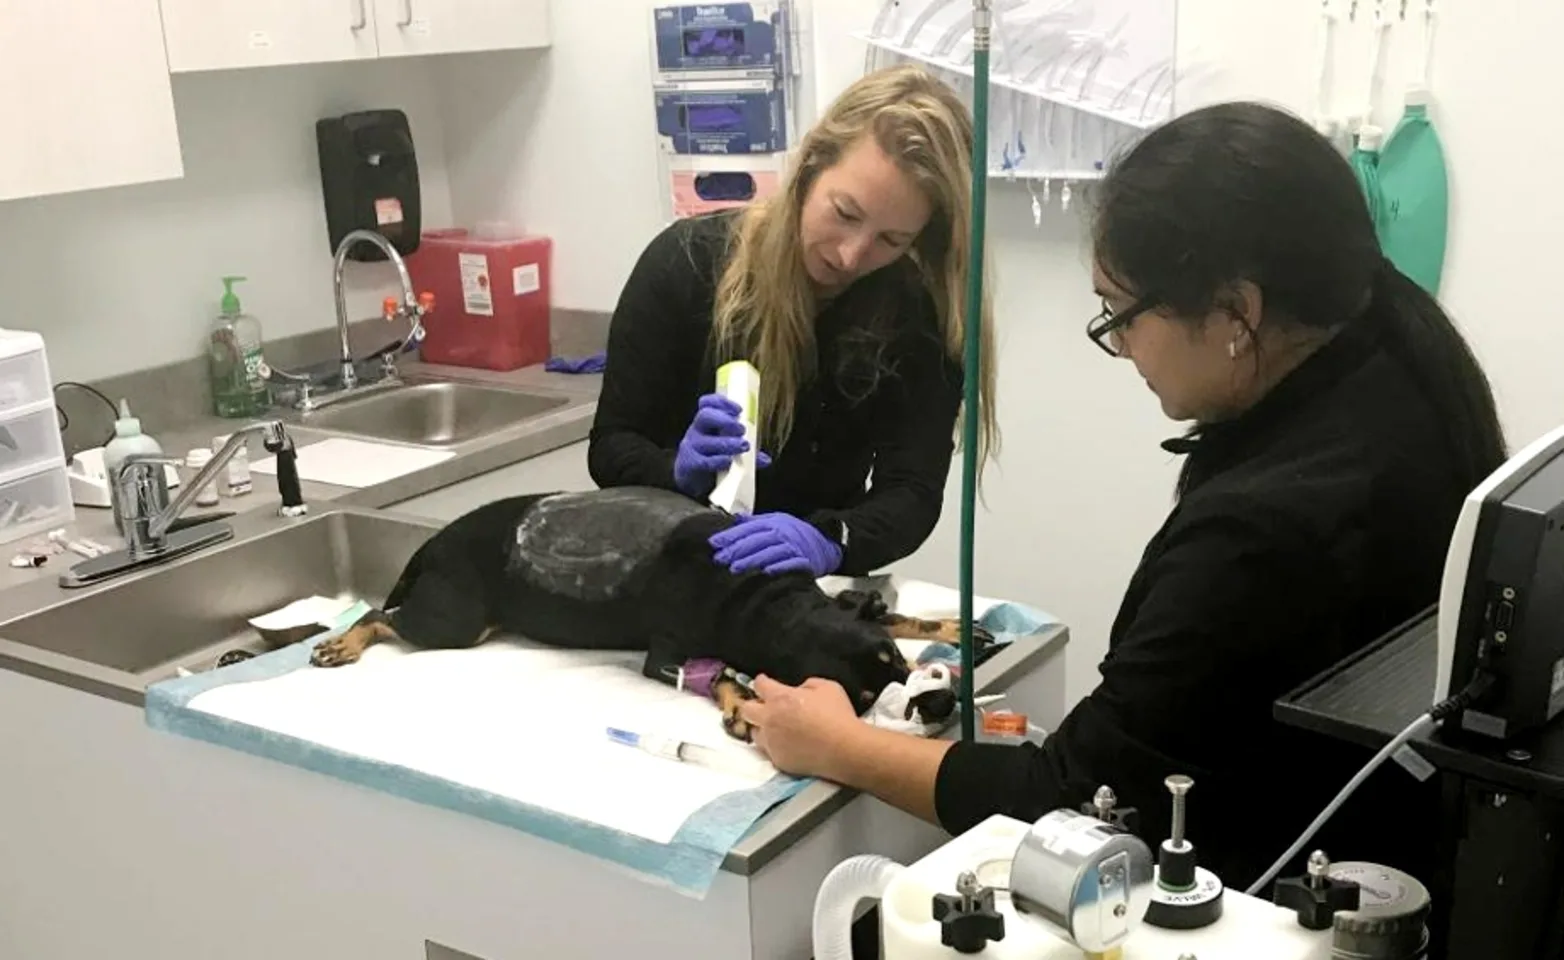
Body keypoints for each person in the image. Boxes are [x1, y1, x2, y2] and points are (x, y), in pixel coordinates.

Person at [737, 101, 1508, 892]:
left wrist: (836, 745)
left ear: (1237, 314)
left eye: (1123, 312)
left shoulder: (1265, 532)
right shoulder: (1396, 363)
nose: (1118, 343)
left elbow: (1072, 799)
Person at [588, 64, 999, 579]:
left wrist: (831, 541)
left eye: (890, 240)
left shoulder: (917, 315)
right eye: (845, 213)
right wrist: (673, 470)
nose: (851, 256)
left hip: (810, 591)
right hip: (667, 573)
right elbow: (611, 447)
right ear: (809, 169)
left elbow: (911, 494)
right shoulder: (686, 264)